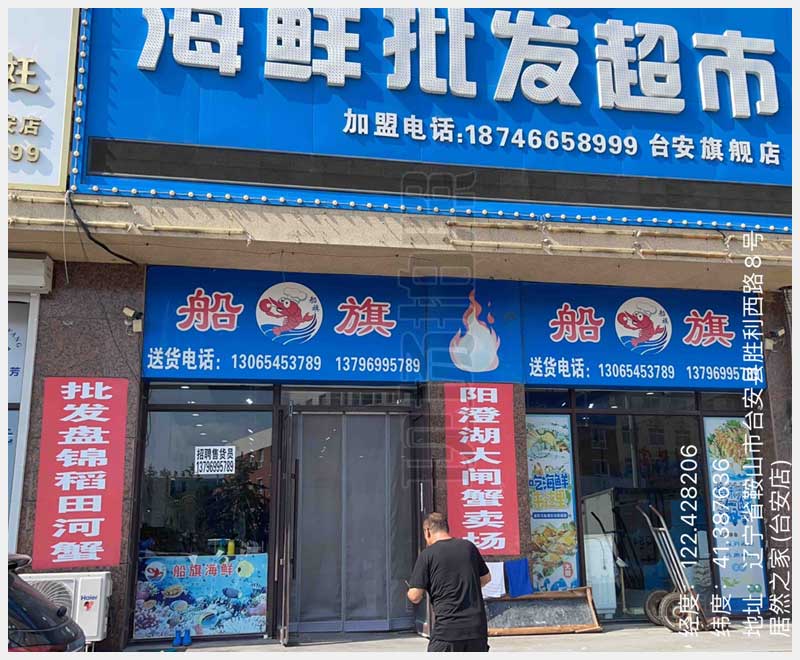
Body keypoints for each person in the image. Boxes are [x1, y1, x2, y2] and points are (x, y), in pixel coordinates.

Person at [407, 512, 491, 652]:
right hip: (477, 630)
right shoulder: (468, 547)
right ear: (447, 528)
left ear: (427, 531)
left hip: (447, 631)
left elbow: (415, 596)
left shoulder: (427, 555)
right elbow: (486, 578)